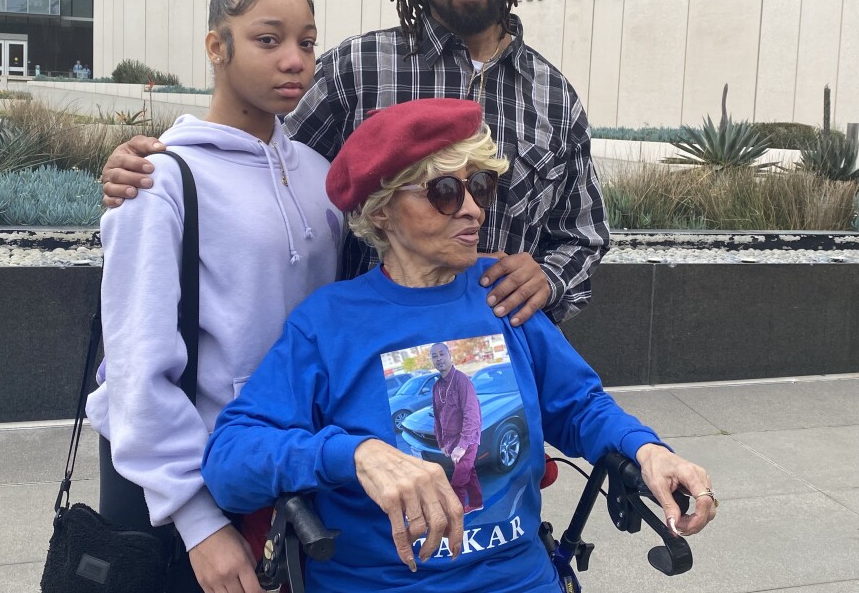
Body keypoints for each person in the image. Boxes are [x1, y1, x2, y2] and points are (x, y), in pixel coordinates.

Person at [201, 98, 717, 593]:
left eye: (481, 187)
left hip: (521, 579)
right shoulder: (329, 322)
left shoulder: (499, 292)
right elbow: (230, 460)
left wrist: (646, 450)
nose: (472, 209)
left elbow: (578, 405)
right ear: (382, 210)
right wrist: (355, 454)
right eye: (445, 191)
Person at [100, 0, 607, 328]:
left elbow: (582, 233)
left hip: (504, 373)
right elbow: (263, 172)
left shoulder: (553, 96)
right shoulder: (358, 71)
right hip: (367, 371)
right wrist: (162, 169)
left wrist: (549, 276)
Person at [84, 0, 342, 593]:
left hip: (298, 478)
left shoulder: (319, 176)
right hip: (199, 492)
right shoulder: (161, 178)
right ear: (216, 47)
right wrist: (196, 520)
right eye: (268, 39)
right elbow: (135, 366)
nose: (294, 59)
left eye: (308, 43)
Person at [429, 342, 482, 513]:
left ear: (449, 356)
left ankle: (453, 518)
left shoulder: (462, 380)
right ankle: (476, 503)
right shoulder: (436, 387)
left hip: (467, 440)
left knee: (458, 482)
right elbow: (437, 417)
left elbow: (472, 415)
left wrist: (462, 446)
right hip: (451, 442)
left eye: (441, 354)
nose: (439, 359)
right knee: (470, 473)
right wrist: (441, 443)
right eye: (434, 356)